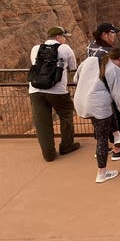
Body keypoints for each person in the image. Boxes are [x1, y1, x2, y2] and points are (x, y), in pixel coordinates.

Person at [74, 48, 120, 183]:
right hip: (98, 106)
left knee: (109, 107)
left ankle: (118, 135)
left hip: (81, 102)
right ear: (119, 58)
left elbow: (75, 78)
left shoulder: (90, 60)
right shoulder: (115, 70)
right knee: (102, 140)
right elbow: (119, 96)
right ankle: (102, 173)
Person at [28, 26, 80, 161]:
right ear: (58, 37)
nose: (64, 39)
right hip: (57, 91)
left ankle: (49, 154)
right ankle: (67, 145)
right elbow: (73, 67)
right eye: (64, 37)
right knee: (66, 114)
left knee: (42, 123)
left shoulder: (35, 48)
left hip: (35, 90)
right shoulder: (65, 48)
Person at [86, 22, 120, 151]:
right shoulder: (109, 52)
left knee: (100, 121)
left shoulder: (91, 46)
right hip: (108, 90)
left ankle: (103, 148)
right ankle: (117, 150)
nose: (115, 36)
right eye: (113, 33)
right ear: (105, 34)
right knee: (115, 119)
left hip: (92, 90)